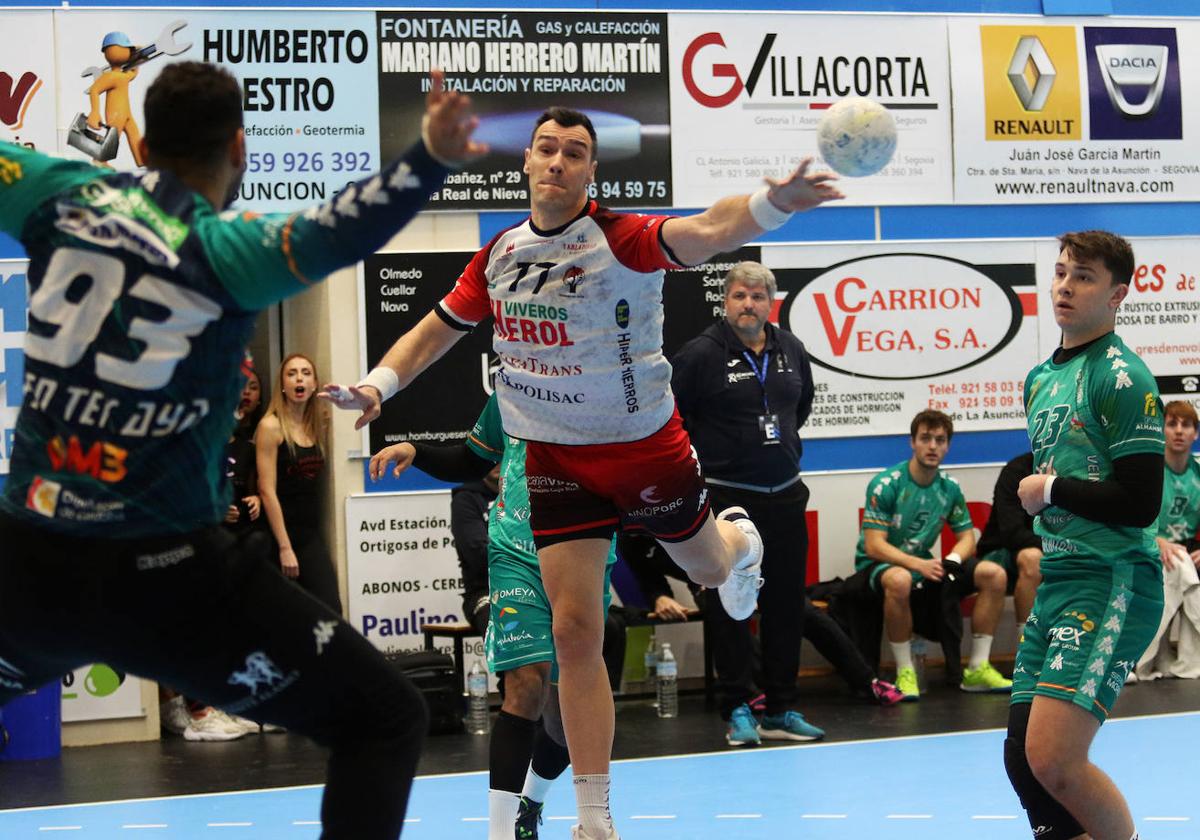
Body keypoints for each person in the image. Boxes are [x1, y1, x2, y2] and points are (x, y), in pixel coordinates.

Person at [326, 107, 843, 840]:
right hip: (554, 456)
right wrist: (378, 385)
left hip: (642, 446)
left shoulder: (623, 238)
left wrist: (772, 205)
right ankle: (595, 817)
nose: (559, 161)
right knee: (574, 634)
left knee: (708, 570)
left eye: (576, 152)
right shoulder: (499, 253)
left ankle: (738, 542)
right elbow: (435, 331)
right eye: (547, 149)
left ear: (592, 170)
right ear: (529, 164)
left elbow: (707, 230)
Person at [0, 61, 486, 839]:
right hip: (166, 583)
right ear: (240, 147)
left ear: (144, 141)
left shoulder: (60, 192)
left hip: (27, 567)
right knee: (386, 718)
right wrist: (427, 155)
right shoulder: (228, 247)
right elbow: (341, 227)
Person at [369, 390, 617, 840]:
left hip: (582, 554)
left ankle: (531, 803)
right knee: (525, 684)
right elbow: (469, 459)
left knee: (566, 725)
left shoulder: (605, 383)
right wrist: (416, 450)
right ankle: (499, 833)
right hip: (515, 554)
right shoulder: (513, 388)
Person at [1006, 230, 1164, 840]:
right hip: (1060, 581)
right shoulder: (1041, 377)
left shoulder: (1123, 378)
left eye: (1085, 277)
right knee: (1023, 762)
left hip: (1113, 581)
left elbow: (1140, 502)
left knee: (1055, 761)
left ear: (1118, 293)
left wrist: (1048, 491)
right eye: (1063, 272)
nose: (1066, 286)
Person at [669, 260, 824, 746]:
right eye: (739, 295)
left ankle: (780, 708)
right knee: (730, 603)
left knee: (784, 604)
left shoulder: (790, 349)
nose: (748, 305)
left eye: (757, 297)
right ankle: (737, 705)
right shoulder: (699, 354)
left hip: (785, 494)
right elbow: (674, 420)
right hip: (727, 498)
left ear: (770, 302)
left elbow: (799, 409)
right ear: (725, 300)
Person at [619, 531, 903, 716]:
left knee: (802, 611)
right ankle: (758, 692)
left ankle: (867, 681)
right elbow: (648, 577)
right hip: (709, 583)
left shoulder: (679, 506)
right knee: (721, 613)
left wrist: (740, 580)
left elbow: (728, 536)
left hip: (748, 566)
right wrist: (659, 597)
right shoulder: (630, 536)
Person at [853, 409, 987, 701]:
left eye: (940, 440)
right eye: (925, 438)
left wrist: (953, 559)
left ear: (948, 446)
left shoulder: (949, 487)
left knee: (994, 574)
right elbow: (874, 545)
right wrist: (918, 564)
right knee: (900, 580)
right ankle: (905, 672)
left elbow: (967, 537)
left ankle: (978, 667)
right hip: (879, 566)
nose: (933, 446)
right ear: (912, 442)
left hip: (925, 564)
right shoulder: (886, 484)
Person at [256, 353, 340, 613]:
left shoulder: (317, 424)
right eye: (291, 373)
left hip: (309, 534)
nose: (299, 378)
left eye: (305, 372)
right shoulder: (271, 427)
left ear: (314, 383)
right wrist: (284, 547)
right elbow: (266, 490)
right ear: (282, 384)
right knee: (284, 616)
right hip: (279, 535)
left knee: (330, 609)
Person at [1134, 399, 1200, 680]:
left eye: (1186, 425)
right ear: (1161, 430)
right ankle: (1137, 661)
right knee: (1177, 566)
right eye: (1171, 424)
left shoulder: (1198, 474)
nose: (1178, 431)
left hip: (1184, 550)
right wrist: (1157, 542)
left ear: (1195, 434)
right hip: (1144, 547)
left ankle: (1187, 661)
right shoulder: (1147, 469)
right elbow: (1129, 516)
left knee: (1183, 564)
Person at [975, 451, 1043, 637]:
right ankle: (1028, 650)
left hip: (1056, 551)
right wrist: (1059, 547)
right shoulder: (1017, 470)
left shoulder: (1077, 470)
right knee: (1033, 559)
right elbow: (1012, 533)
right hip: (1003, 549)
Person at [449, 465, 499, 636]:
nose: (496, 462)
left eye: (502, 454)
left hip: (534, 586)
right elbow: (479, 555)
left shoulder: (525, 494)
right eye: (491, 457)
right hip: (485, 591)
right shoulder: (466, 499)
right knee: (502, 623)